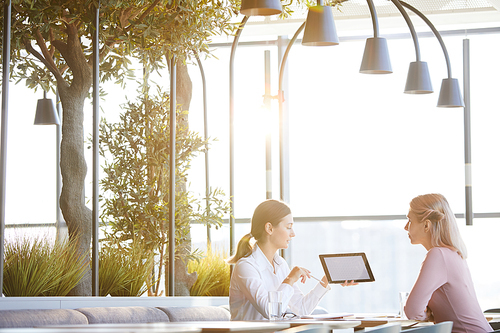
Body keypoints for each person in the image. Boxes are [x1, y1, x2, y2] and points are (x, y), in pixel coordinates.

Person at [228, 199, 355, 321]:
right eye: (288, 227)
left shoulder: (280, 264)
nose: (293, 233)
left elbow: (301, 309)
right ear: (269, 228)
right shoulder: (246, 266)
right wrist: (290, 279)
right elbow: (270, 311)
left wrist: (327, 279)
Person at [403, 193, 491, 333]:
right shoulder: (452, 253)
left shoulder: (438, 255)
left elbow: (412, 311)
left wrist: (426, 315)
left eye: (410, 220)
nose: (406, 227)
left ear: (426, 225)